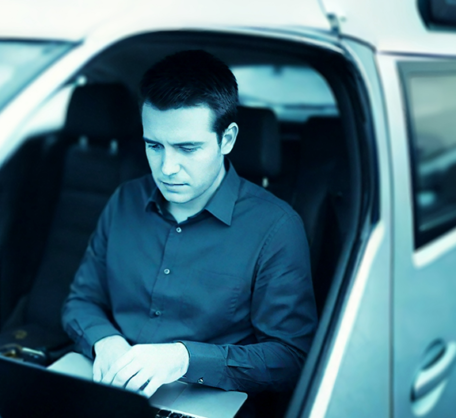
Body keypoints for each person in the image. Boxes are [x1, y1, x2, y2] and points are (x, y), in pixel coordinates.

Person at [61, 50, 318, 400]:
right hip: (111, 384)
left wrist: (184, 359)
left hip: (203, 398)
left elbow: (290, 358)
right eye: (154, 145)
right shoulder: (125, 201)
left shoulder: (276, 227)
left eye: (187, 148)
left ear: (226, 140)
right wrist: (104, 342)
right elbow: (81, 300)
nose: (167, 167)